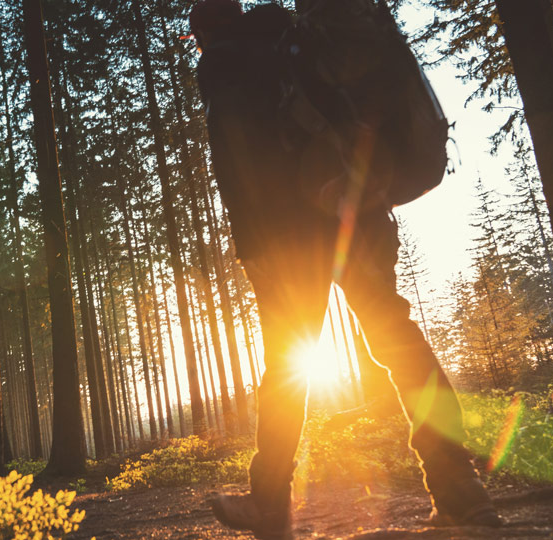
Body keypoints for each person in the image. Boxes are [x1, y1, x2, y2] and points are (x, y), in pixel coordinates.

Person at [190, 1, 502, 538]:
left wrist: (253, 247)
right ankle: (460, 487)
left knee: (286, 369)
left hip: (290, 238)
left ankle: (268, 503)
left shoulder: (224, 62)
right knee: (397, 338)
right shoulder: (294, 37)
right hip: (356, 211)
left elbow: (238, 160)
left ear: (203, 32)